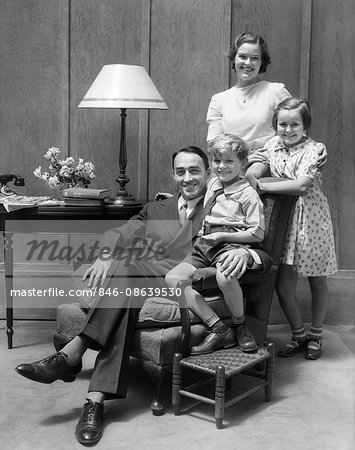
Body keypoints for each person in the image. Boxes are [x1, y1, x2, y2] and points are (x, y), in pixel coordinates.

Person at [15, 146, 271, 446]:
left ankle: (74, 356)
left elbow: (262, 247)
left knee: (128, 279)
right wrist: (106, 255)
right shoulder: (156, 208)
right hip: (151, 277)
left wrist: (246, 252)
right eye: (180, 172)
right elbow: (118, 232)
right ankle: (94, 399)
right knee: (124, 269)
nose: (187, 178)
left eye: (194, 170)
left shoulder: (224, 204)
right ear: (173, 175)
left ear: (208, 172)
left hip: (189, 284)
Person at [245, 98, 337, 361]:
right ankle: (298, 334)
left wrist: (261, 185)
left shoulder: (314, 149)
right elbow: (257, 158)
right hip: (283, 219)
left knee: (317, 279)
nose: (287, 130)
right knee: (283, 284)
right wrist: (255, 168)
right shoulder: (273, 144)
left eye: (294, 124)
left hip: (311, 218)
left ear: (305, 126)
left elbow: (301, 186)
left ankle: (316, 335)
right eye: (282, 124)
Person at [166, 134, 265, 355]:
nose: (222, 166)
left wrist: (222, 238)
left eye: (229, 161)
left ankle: (239, 324)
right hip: (204, 244)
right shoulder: (212, 183)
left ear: (242, 164)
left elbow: (257, 232)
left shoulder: (248, 194)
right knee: (173, 277)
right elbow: (194, 196)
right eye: (217, 161)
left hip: (229, 243)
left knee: (224, 277)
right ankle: (218, 327)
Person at [206, 32, 291, 153]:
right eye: (243, 56)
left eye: (255, 58)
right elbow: (213, 145)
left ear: (262, 62)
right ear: (234, 58)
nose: (248, 63)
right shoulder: (219, 100)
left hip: (269, 162)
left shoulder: (276, 92)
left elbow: (294, 131)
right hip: (232, 164)